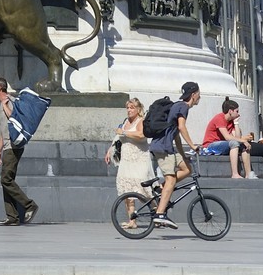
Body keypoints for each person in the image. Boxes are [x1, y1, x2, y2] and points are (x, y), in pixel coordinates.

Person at [149, 81, 200, 229]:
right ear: (193, 94)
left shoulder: (178, 106)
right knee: (171, 180)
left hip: (167, 147)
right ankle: (160, 214)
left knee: (187, 169)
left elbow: (176, 135)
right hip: (162, 147)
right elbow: (182, 127)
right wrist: (193, 145)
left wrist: (183, 155)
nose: (199, 97)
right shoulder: (183, 107)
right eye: (199, 94)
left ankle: (162, 188)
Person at [0, 76, 38, 227]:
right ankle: (12, 217)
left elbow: (15, 119)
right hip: (7, 146)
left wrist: (5, 106)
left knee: (6, 180)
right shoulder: (3, 103)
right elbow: (4, 130)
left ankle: (29, 205)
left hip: (13, 146)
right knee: (7, 181)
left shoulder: (9, 101)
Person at [105, 96, 156, 228]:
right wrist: (109, 151)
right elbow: (118, 138)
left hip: (139, 160)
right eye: (127, 108)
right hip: (126, 161)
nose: (129, 110)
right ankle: (132, 221)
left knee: (143, 189)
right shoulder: (125, 122)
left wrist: (124, 132)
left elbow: (141, 135)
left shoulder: (141, 121)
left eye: (132, 108)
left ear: (138, 109)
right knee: (126, 190)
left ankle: (157, 213)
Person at [200, 97, 255, 178]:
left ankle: (248, 174)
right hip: (210, 145)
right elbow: (227, 137)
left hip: (223, 145)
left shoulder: (231, 121)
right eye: (237, 111)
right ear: (230, 111)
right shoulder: (219, 118)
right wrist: (243, 140)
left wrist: (236, 123)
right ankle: (235, 174)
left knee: (242, 145)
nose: (238, 114)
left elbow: (237, 137)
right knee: (234, 143)